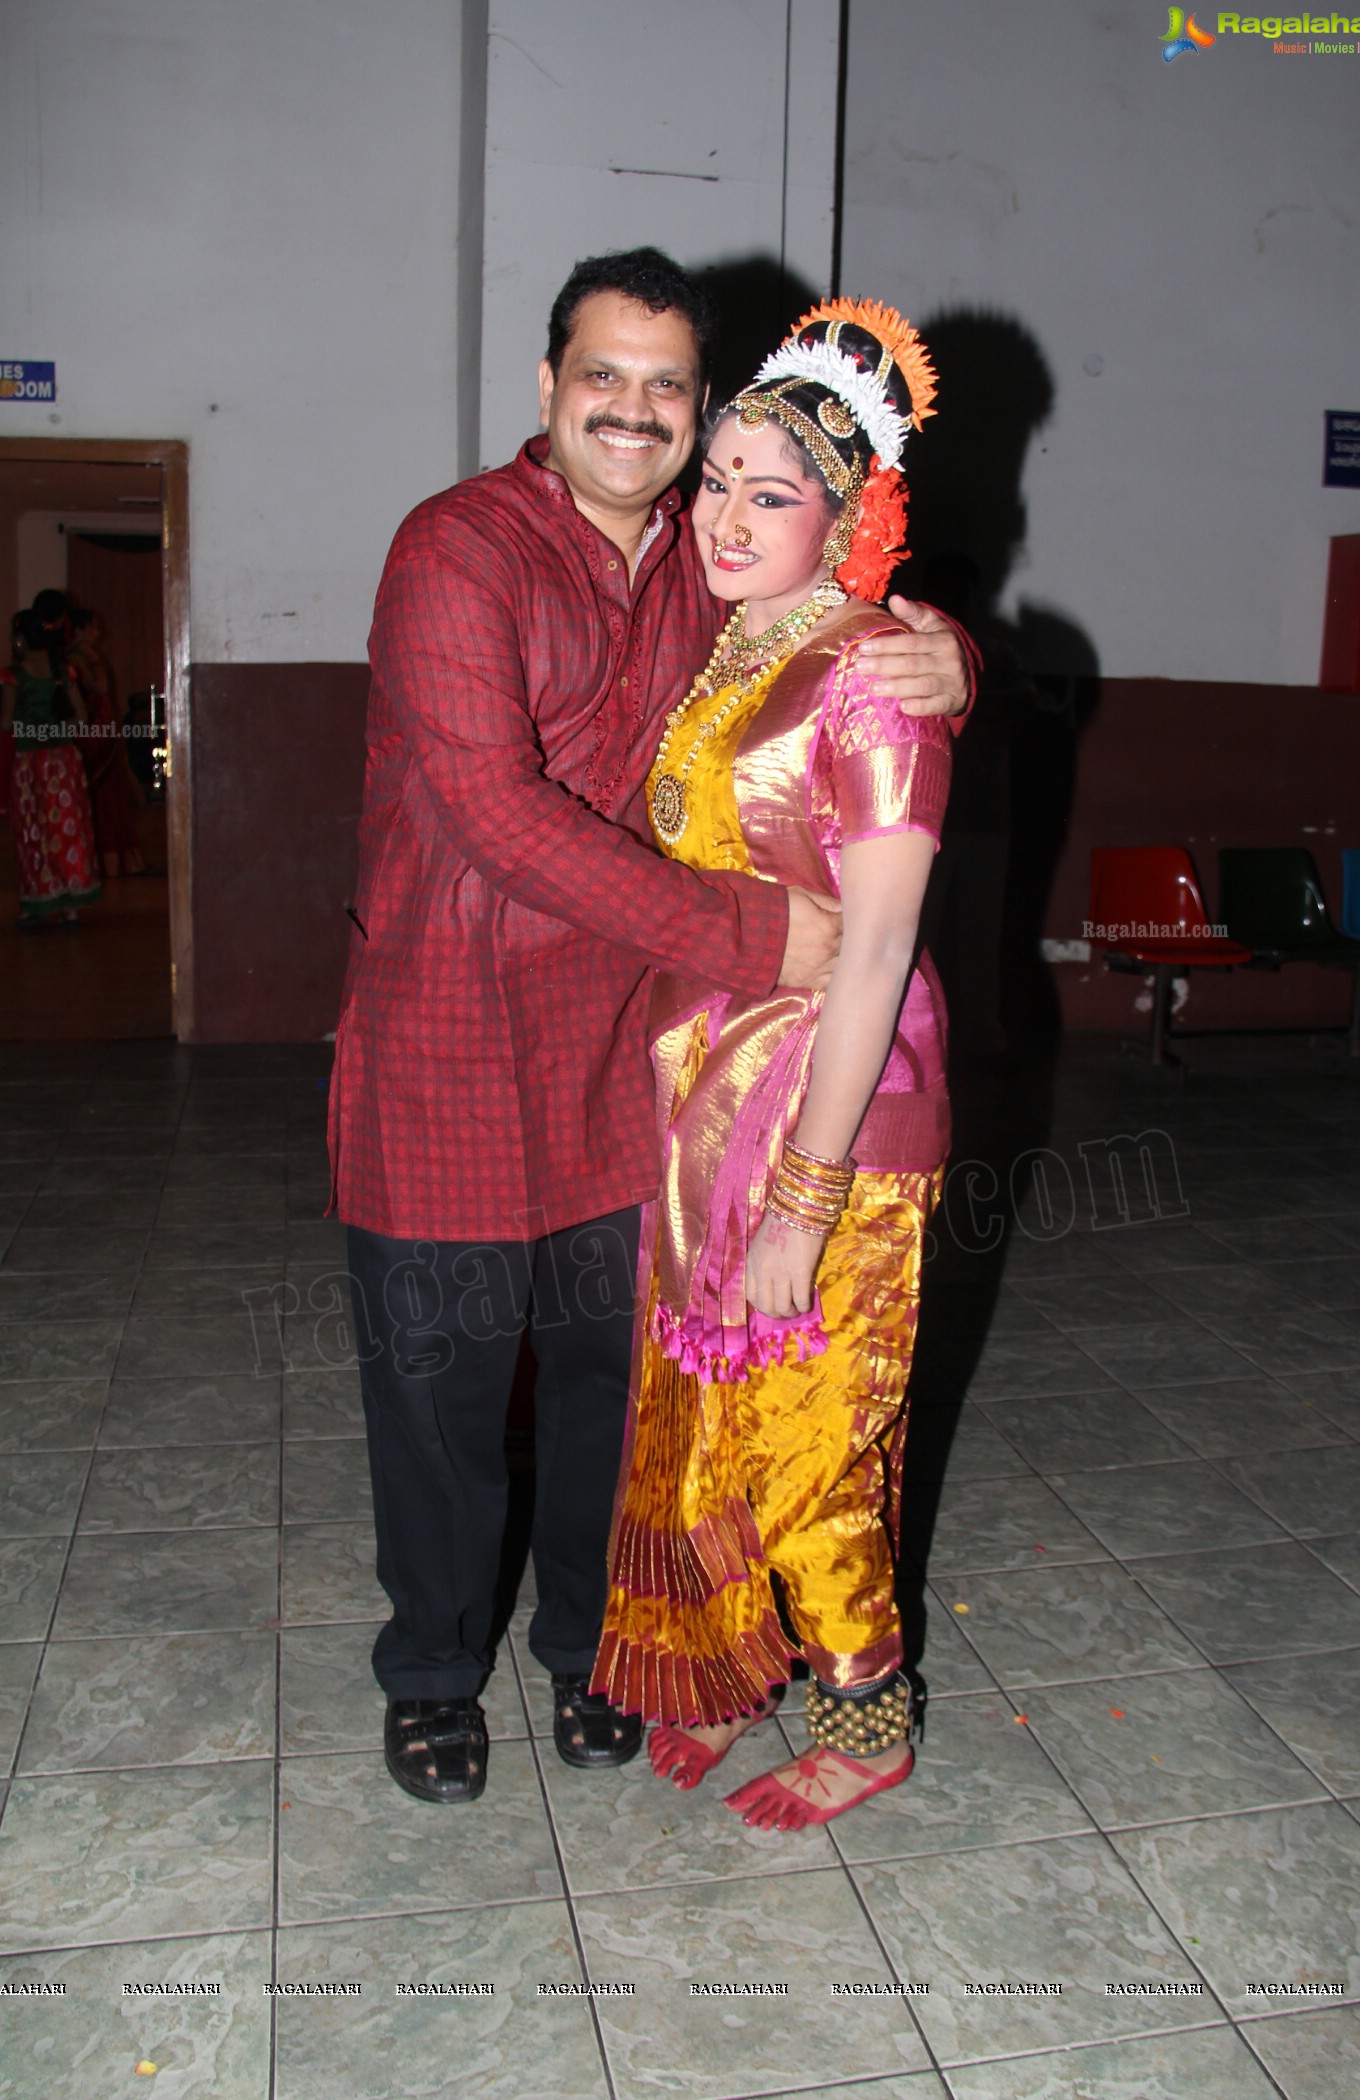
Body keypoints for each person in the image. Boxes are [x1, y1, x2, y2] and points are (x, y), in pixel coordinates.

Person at [329, 248, 971, 1806]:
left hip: (634, 1052)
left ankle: (587, 1651)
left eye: (667, 384)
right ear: (547, 387)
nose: (635, 409)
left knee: (624, 1396)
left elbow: (833, 616)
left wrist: (956, 656)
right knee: (446, 1388)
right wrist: (761, 932)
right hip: (448, 1044)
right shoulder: (456, 551)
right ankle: (431, 1672)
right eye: (601, 375)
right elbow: (493, 810)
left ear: (696, 411)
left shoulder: (705, 560)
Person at [592, 300, 954, 1829]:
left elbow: (873, 953)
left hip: (835, 1118)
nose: (727, 516)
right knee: (714, 1420)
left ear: (850, 511)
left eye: (771, 491)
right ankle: (736, 1663)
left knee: (815, 1444)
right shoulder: (742, 636)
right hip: (708, 1104)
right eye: (719, 479)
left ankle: (868, 1717)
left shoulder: (875, 675)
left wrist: (806, 1199)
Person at [1, 608, 102, 928]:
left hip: (31, 763)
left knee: (34, 832)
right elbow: (82, 718)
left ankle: (37, 904)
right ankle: (71, 906)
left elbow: (6, 722)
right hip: (63, 762)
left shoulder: (14, 675)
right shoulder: (64, 671)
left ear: (20, 639)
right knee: (66, 830)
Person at [68, 607, 146, 878]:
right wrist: (95, 662)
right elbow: (99, 688)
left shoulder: (83, 657)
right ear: (78, 631)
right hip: (90, 736)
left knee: (110, 796)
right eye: (92, 628)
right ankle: (103, 864)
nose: (97, 634)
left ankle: (119, 862)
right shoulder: (76, 659)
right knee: (101, 797)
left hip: (101, 732)